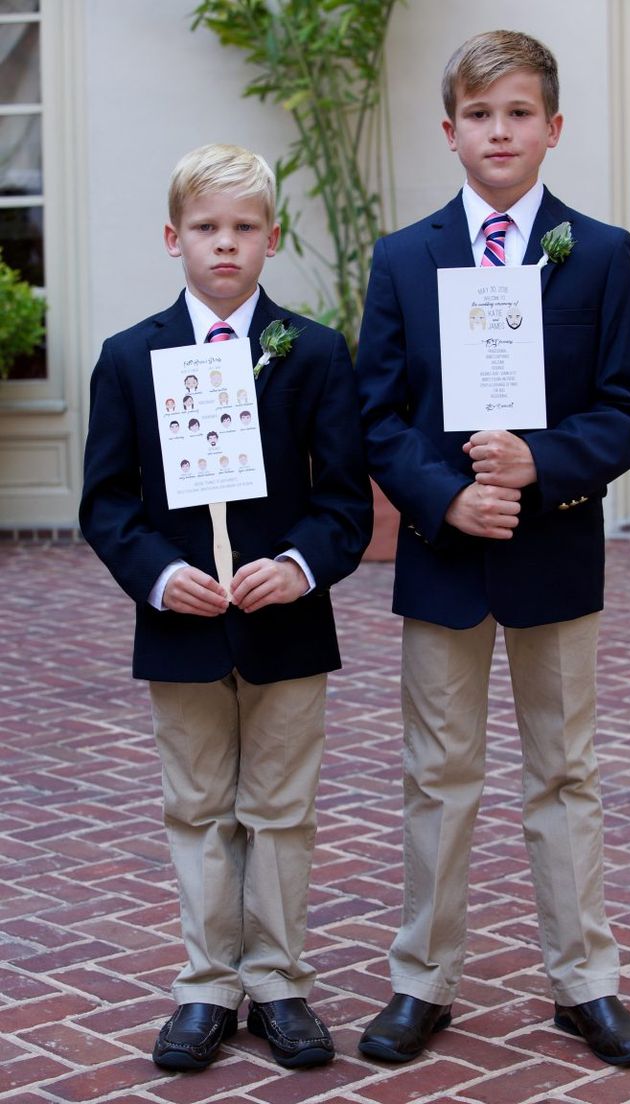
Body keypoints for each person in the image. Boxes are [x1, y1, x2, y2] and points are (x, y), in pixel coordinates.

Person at [355, 30, 630, 1068]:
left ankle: (585, 980)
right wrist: (445, 500)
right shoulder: (402, 258)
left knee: (562, 772)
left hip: (554, 553)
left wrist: (541, 465)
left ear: (553, 128)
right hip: (448, 558)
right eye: (479, 114)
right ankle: (421, 979)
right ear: (449, 132)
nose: (499, 130)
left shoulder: (602, 253)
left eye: (518, 112)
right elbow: (378, 414)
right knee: (438, 772)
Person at [80, 143, 372, 1073]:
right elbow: (107, 502)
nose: (225, 245)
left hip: (285, 620)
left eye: (244, 228)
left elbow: (347, 504)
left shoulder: (316, 352)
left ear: (271, 239)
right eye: (206, 227)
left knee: (281, 808)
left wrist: (300, 563)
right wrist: (163, 578)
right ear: (174, 238)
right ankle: (208, 985)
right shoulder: (130, 357)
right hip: (184, 625)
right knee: (199, 807)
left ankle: (280, 981)